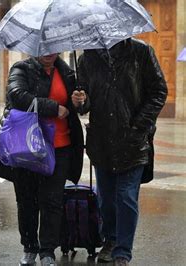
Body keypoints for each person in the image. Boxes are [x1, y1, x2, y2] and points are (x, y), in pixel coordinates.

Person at [73, 38, 167, 265]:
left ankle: (123, 251)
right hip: (102, 141)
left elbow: (159, 91)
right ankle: (111, 240)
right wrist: (79, 101)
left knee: (125, 196)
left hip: (132, 141)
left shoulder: (141, 52)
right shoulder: (88, 57)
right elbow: (85, 103)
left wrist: (138, 126)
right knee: (106, 198)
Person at [6, 53, 84, 266]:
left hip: (61, 146)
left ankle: (48, 250)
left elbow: (78, 108)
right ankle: (29, 246)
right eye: (44, 48)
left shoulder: (67, 72)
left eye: (53, 48)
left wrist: (80, 102)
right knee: (27, 199)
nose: (49, 53)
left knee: (52, 200)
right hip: (28, 146)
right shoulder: (21, 68)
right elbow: (17, 95)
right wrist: (52, 107)